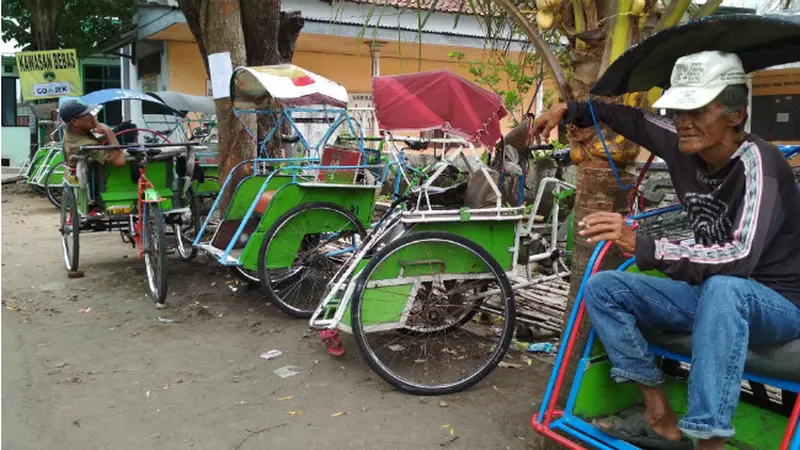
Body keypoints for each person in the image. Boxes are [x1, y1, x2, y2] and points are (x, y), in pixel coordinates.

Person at [532, 51, 800, 450]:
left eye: (696, 108)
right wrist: (568, 110)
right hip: (710, 295)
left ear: (735, 114)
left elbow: (739, 258)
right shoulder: (682, 142)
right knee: (605, 288)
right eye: (678, 109)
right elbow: (630, 120)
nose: (683, 121)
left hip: (774, 305)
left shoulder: (761, 164)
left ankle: (709, 442)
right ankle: (659, 416)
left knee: (725, 289)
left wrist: (645, 246)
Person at [60, 99, 126, 216]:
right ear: (75, 121)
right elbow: (120, 161)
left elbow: (99, 141)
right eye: (87, 114)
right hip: (95, 177)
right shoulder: (84, 144)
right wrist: (108, 131)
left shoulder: (74, 130)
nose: (92, 116)